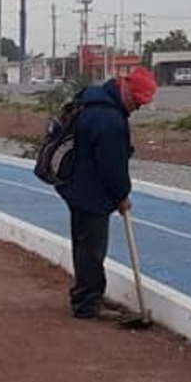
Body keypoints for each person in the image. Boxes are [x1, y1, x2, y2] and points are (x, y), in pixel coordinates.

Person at [56, 66, 156, 320]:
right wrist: (122, 195)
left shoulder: (90, 102)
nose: (138, 108)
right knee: (92, 249)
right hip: (91, 192)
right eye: (137, 101)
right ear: (126, 90)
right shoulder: (110, 120)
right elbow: (113, 165)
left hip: (75, 185)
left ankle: (87, 295)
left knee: (84, 246)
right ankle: (87, 304)